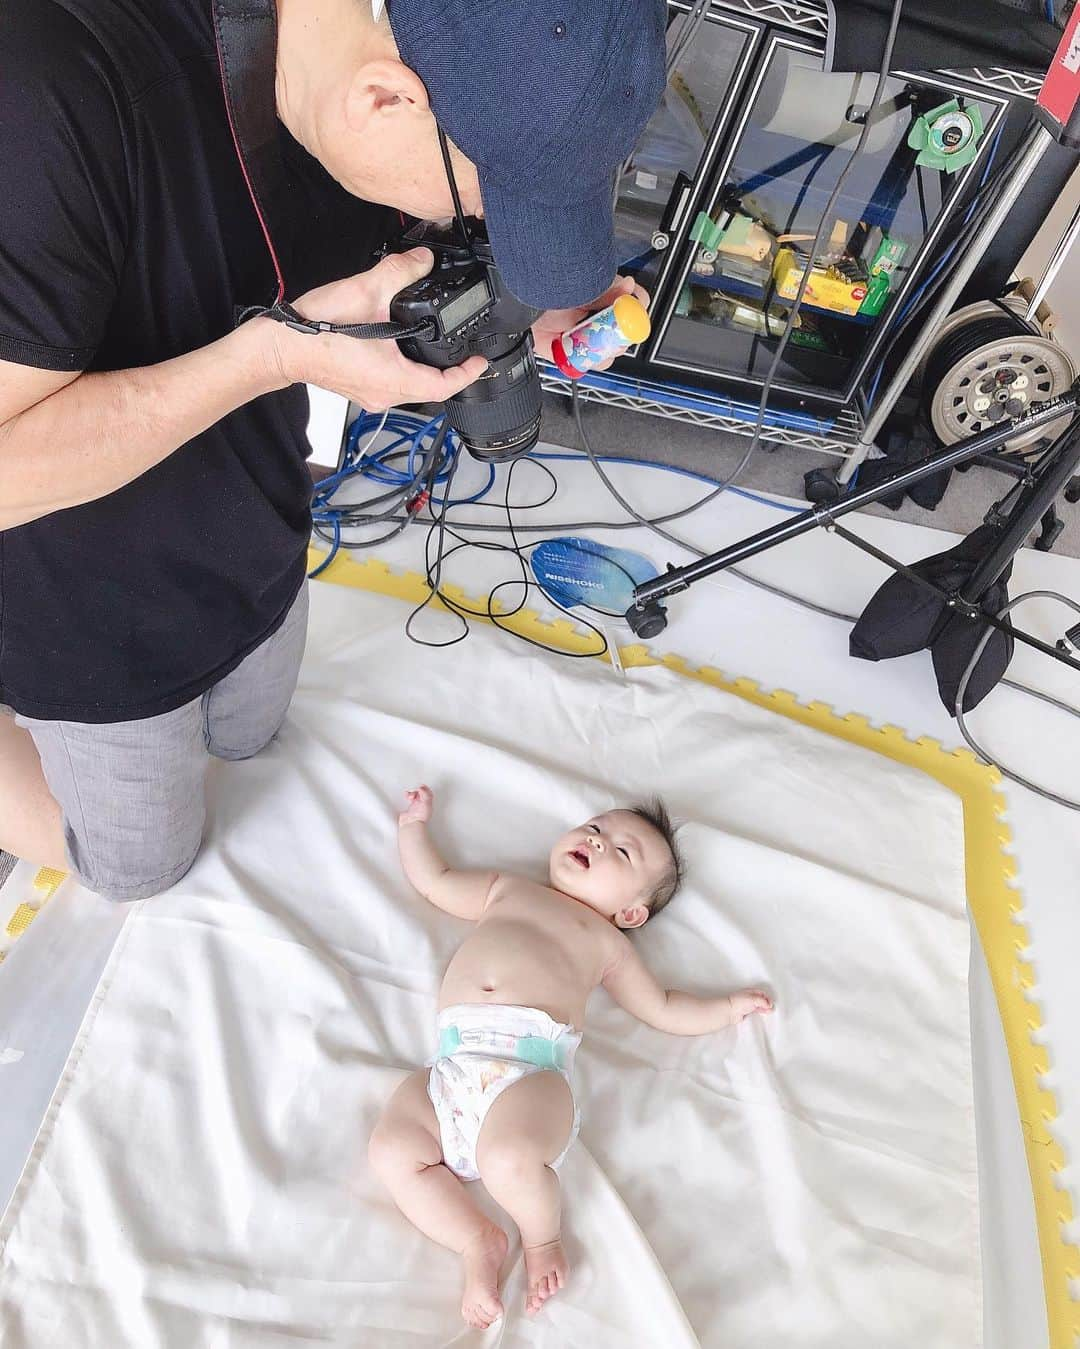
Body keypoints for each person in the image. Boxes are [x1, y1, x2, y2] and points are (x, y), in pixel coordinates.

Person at [0, 0, 667, 901]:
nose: (480, 220)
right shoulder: (48, 95)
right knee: (135, 866)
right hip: (74, 599)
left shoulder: (359, 61)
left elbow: (420, 211)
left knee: (248, 736)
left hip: (254, 526)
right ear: (385, 100)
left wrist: (537, 297)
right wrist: (277, 353)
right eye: (485, 198)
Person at [369, 786, 774, 1327]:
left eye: (622, 853)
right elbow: (437, 883)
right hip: (452, 1066)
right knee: (392, 1149)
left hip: (530, 1076)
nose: (597, 842)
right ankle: (475, 1241)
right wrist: (412, 829)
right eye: (596, 828)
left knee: (509, 1159)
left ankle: (542, 1240)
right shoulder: (506, 889)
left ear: (631, 912)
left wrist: (726, 1007)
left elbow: (663, 1007)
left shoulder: (606, 943)